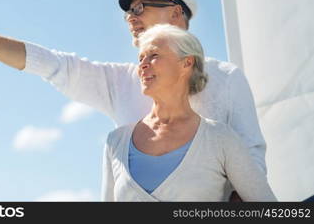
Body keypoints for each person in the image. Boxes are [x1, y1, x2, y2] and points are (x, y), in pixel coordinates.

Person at [0, 0, 266, 200]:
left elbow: (251, 166)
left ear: (176, 14)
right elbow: (50, 63)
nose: (131, 16)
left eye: (140, 7)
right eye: (128, 12)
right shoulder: (119, 82)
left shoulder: (227, 78)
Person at [102, 24, 276, 201]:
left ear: (186, 63)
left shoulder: (221, 139)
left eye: (154, 55)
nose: (142, 65)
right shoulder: (116, 142)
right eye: (140, 59)